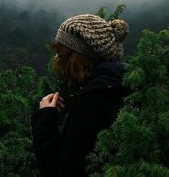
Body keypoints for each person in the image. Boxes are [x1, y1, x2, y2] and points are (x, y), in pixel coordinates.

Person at [30, 14, 131, 177]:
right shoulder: (124, 87)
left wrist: (45, 118)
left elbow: (60, 172)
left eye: (61, 53)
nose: (56, 60)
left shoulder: (91, 103)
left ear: (78, 57)